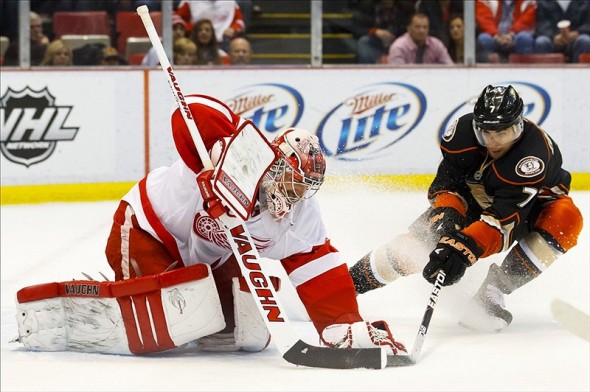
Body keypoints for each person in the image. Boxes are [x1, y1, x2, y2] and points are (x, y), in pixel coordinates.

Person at [15, 94, 407, 357]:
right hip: (148, 230)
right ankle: (104, 302)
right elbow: (191, 110)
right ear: (274, 161)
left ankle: (185, 299)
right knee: (171, 313)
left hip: (208, 260)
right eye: (293, 179)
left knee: (223, 326)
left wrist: (343, 324)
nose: (298, 192)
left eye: (307, 186)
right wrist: (221, 149)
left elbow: (318, 267)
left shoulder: (300, 215)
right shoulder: (234, 160)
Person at [348, 85, 583, 332]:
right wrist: (447, 216)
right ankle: (344, 286)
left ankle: (493, 290)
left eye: (503, 133)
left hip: (531, 208)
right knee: (418, 245)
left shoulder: (531, 157)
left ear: (519, 126)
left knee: (565, 219)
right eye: (486, 133)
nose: (493, 142)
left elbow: (504, 221)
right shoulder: (461, 133)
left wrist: (463, 248)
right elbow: (446, 184)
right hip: (477, 197)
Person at [351, 0, 416, 64]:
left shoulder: (403, 7)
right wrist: (375, 31)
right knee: (363, 42)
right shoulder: (370, 7)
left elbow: (407, 27)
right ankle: (368, 72)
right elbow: (359, 27)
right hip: (376, 42)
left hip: (398, 41)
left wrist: (392, 34)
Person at [176, 0, 245, 52]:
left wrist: (234, 29)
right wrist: (192, 29)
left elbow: (240, 20)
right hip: (196, 42)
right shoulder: (190, 1)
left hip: (223, 43)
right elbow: (178, 19)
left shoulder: (229, 2)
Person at [387, 12, 454, 65]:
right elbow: (398, 74)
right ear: (409, 29)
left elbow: (450, 68)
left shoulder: (437, 45)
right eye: (417, 27)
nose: (422, 31)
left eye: (425, 27)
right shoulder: (398, 47)